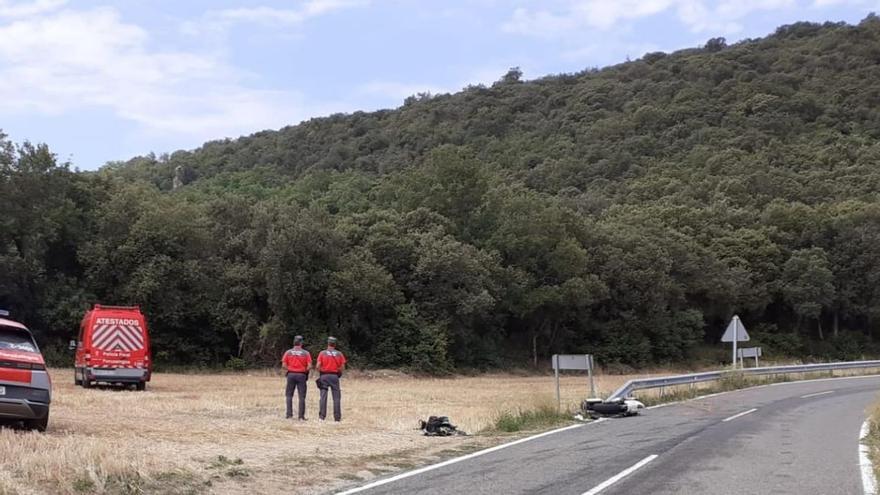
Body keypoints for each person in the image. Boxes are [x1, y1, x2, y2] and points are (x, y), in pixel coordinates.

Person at [316, 336, 346, 422]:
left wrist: (322, 371)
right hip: (334, 376)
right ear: (335, 344)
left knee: (323, 396)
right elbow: (342, 367)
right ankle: (337, 418)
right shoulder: (339, 354)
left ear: (328, 343)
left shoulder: (322, 353)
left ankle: (321, 417)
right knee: (336, 397)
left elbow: (318, 366)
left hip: (324, 376)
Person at [281, 335, 312, 420]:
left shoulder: (288, 352)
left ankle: (289, 415)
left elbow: (283, 365)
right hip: (301, 375)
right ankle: (301, 416)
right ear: (301, 343)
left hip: (291, 375)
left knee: (289, 395)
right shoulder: (306, 353)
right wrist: (304, 371)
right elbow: (309, 366)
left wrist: (290, 369)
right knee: (302, 396)